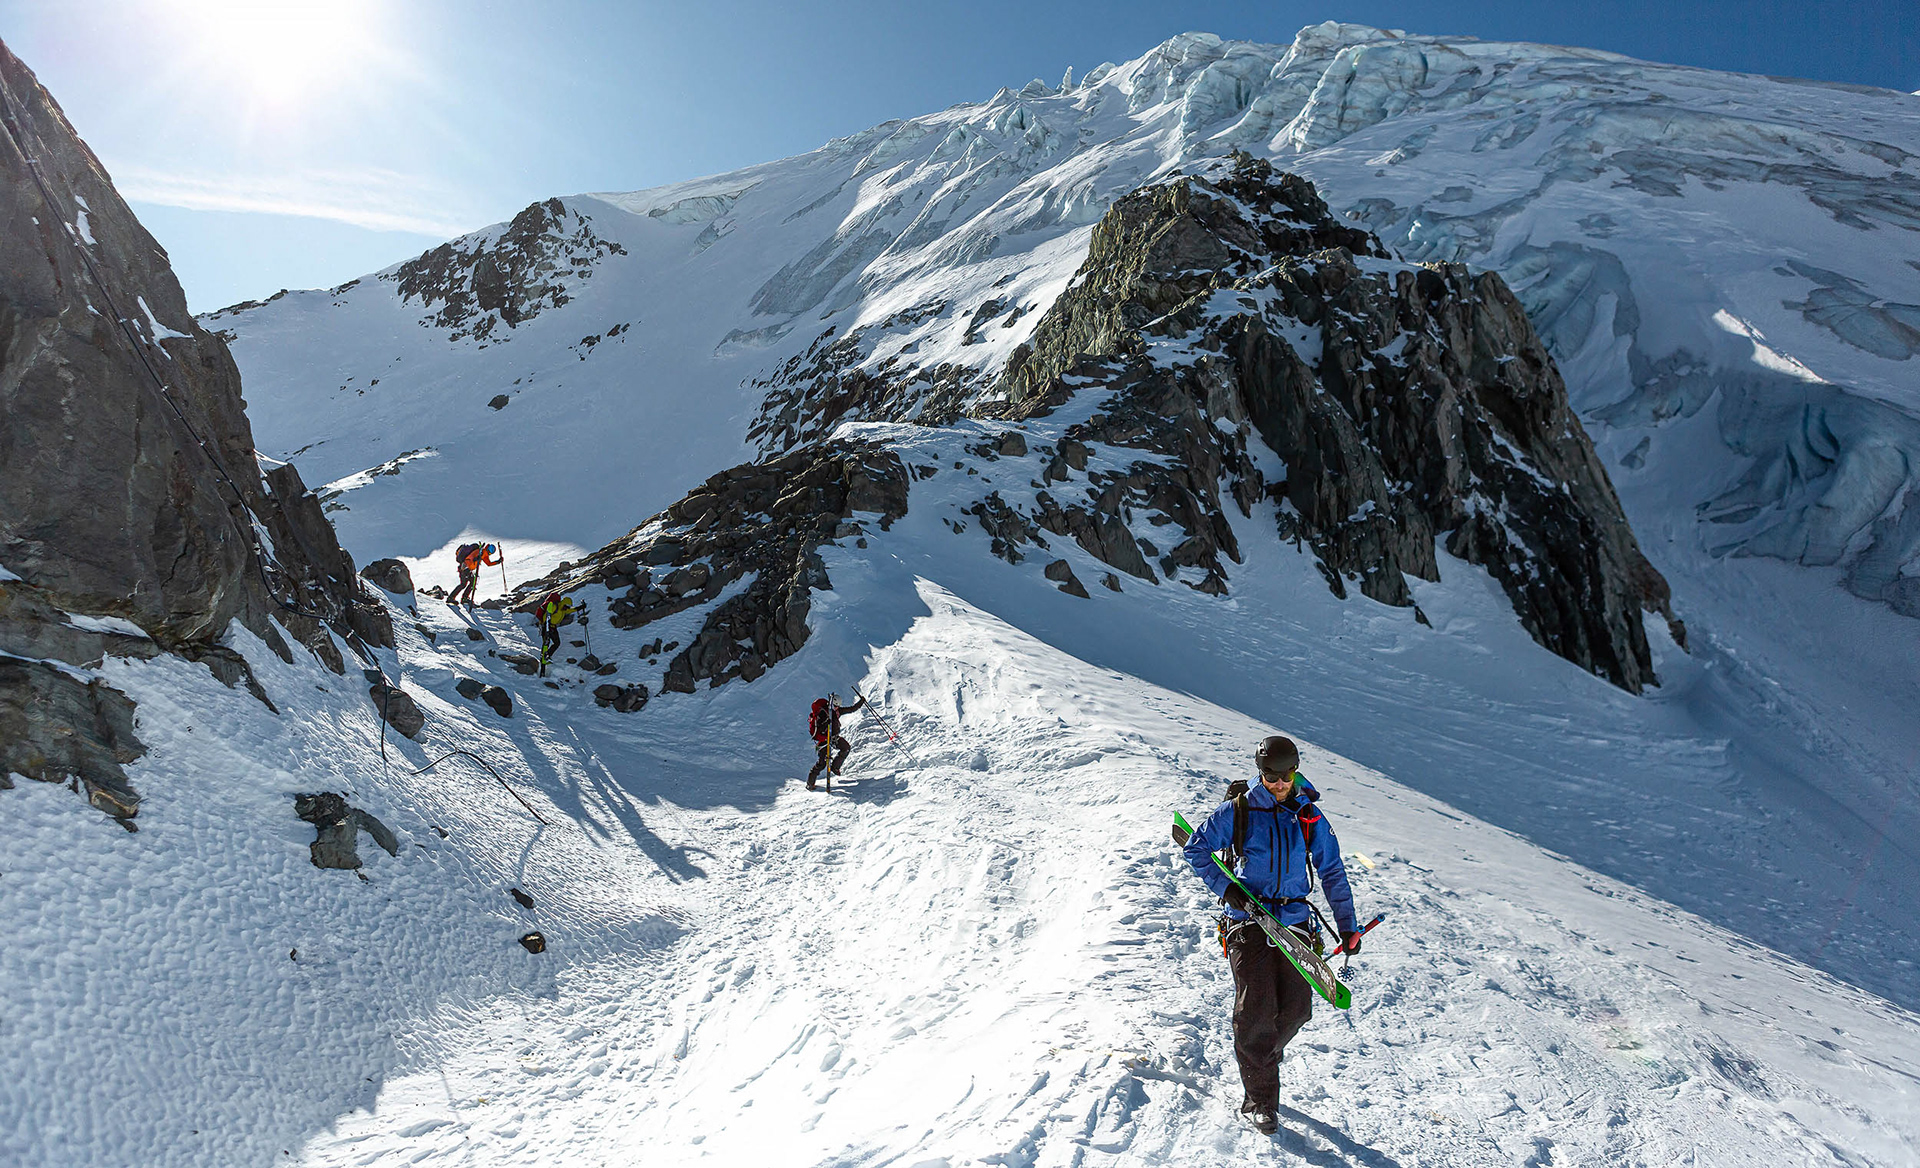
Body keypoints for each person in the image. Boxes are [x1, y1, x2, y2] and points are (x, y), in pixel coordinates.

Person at [1181, 735, 1362, 1136]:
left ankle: (1258, 1056)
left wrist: (1347, 926)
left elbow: (1332, 870)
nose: (1279, 783)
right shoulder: (1240, 810)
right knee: (1256, 1011)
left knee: (1296, 1011)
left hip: (1295, 922)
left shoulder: (1309, 815)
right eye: (1270, 775)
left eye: (1286, 775)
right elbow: (1196, 848)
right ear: (1260, 771)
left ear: (1295, 771)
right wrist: (1228, 890)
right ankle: (1260, 1100)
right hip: (1248, 919)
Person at [806, 692, 866, 791]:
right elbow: (819, 728)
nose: (836, 708)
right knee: (822, 764)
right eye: (835, 706)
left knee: (845, 748)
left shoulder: (837, 711)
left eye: (837, 706)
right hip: (824, 740)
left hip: (833, 738)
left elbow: (851, 709)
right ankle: (810, 783)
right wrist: (826, 723)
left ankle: (835, 767)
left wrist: (861, 702)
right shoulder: (823, 713)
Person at [536, 591, 575, 675]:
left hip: (553, 627)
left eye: (568, 606)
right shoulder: (554, 606)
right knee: (546, 643)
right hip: (547, 626)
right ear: (564, 603)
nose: (567, 608)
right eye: (567, 606)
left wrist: (580, 607)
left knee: (557, 643)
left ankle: (547, 656)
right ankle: (543, 660)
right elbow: (546, 616)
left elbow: (570, 610)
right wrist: (546, 626)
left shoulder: (563, 610)